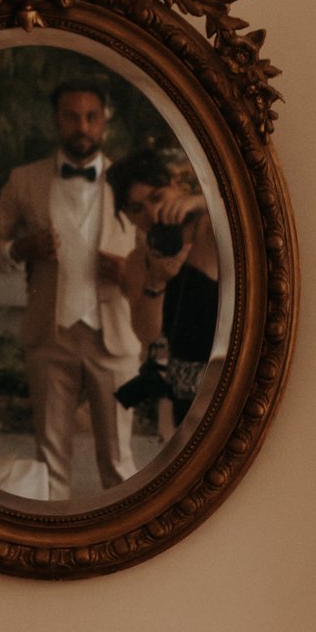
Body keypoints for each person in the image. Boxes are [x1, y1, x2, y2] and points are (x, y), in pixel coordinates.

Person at [0, 78, 143, 494]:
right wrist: (18, 249)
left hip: (114, 339)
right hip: (50, 337)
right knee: (50, 461)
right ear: (56, 121)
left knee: (120, 461)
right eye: (72, 117)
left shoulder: (130, 180)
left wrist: (131, 272)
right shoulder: (25, 180)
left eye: (91, 117)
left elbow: (160, 255)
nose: (83, 126)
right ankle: (52, 549)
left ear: (104, 122)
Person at [109, 151, 222, 446]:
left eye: (158, 197)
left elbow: (250, 212)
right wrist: (155, 282)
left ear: (176, 186)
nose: (151, 213)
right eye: (136, 209)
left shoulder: (210, 227)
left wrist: (200, 201)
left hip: (229, 384)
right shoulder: (138, 261)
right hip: (184, 393)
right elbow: (146, 332)